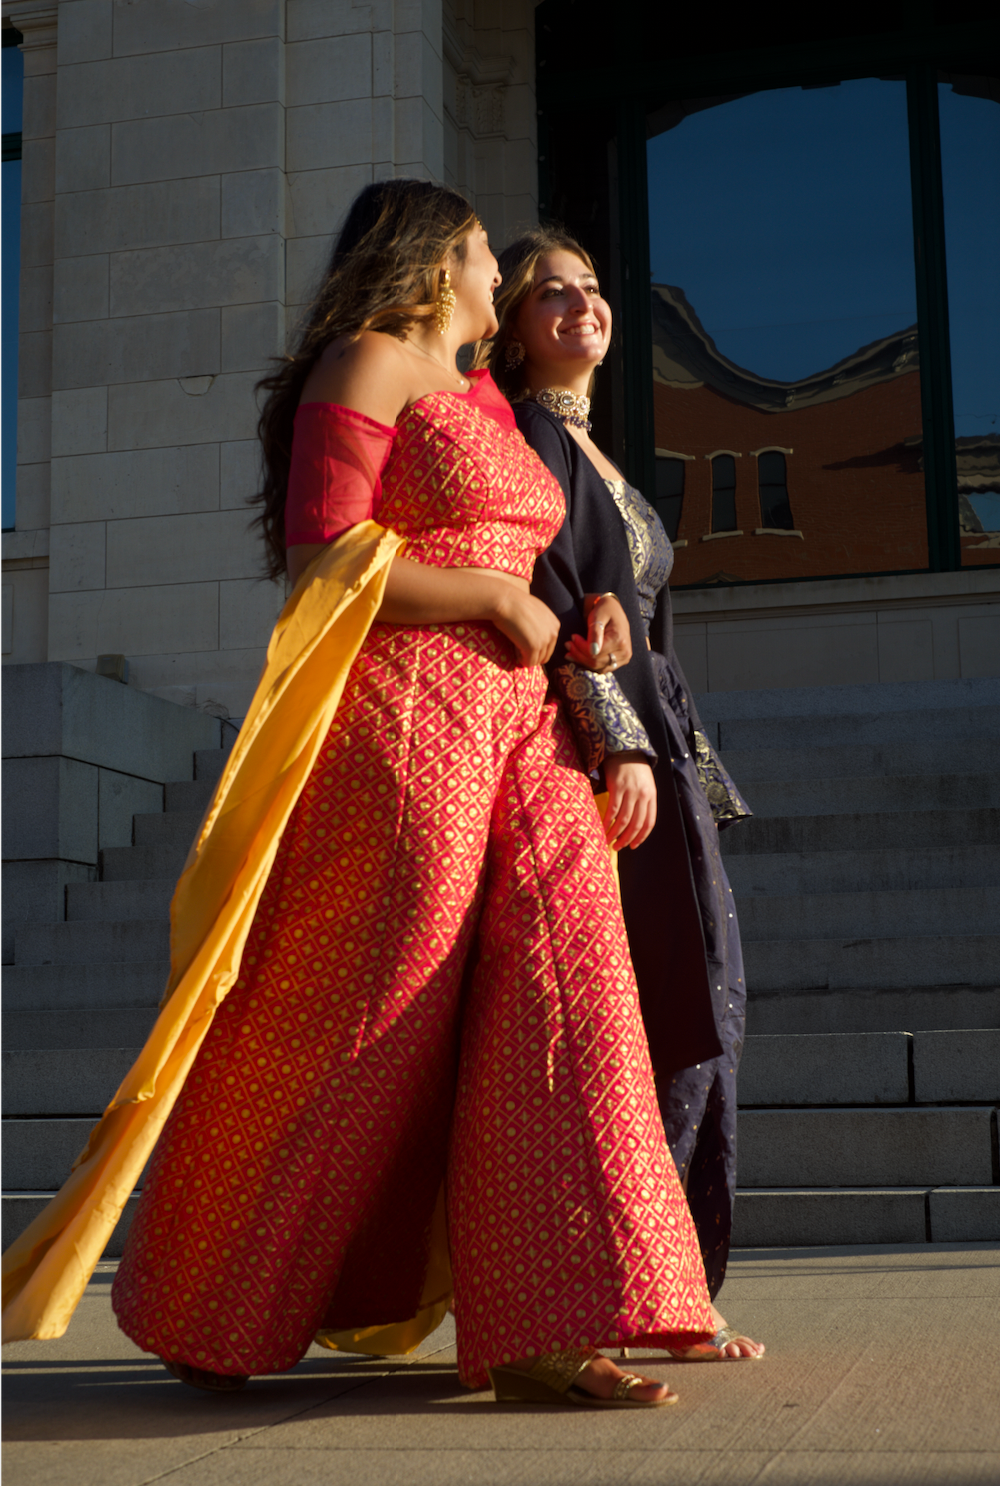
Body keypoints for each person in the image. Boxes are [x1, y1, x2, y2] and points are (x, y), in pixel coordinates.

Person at [6, 182, 719, 1404]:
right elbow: (321, 561)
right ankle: (210, 1298)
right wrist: (493, 598)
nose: (498, 275)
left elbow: (522, 554)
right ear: (436, 261)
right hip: (407, 720)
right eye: (486, 255)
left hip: (525, 722)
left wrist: (582, 609)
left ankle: (553, 1322)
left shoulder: (488, 399)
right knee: (368, 1003)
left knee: (571, 982)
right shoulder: (366, 363)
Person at [472, 227, 762, 1359]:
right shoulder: (527, 440)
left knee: (706, 998)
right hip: (602, 764)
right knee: (658, 1011)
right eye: (549, 291)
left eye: (591, 287)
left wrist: (687, 766)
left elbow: (648, 630)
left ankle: (677, 1281)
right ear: (510, 324)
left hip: (663, 754)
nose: (581, 304)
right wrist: (619, 749)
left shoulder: (594, 449)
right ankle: (648, 1286)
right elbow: (549, 603)